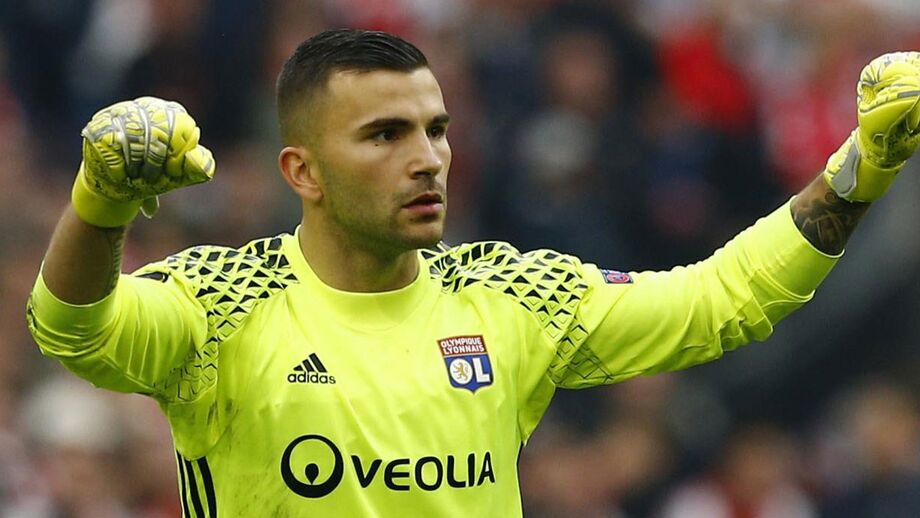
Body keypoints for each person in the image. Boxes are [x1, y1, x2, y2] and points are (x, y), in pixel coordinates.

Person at [25, 29, 920, 516]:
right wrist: (101, 202)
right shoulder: (221, 302)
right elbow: (71, 328)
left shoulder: (506, 298)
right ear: (303, 171)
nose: (427, 159)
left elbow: (723, 299)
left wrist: (862, 168)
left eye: (436, 130)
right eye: (385, 135)